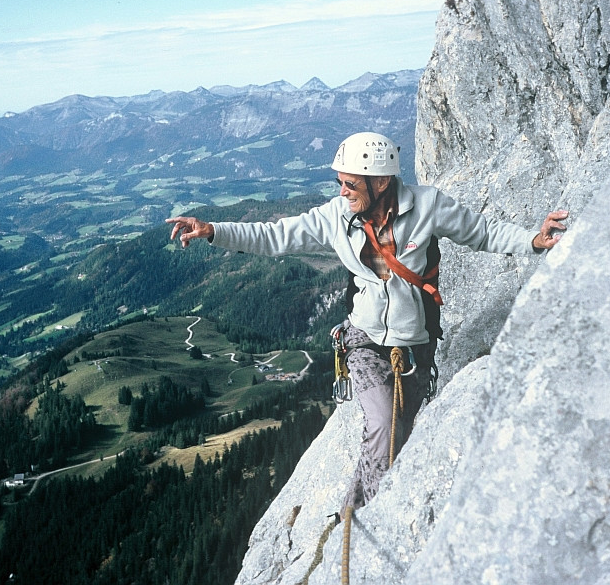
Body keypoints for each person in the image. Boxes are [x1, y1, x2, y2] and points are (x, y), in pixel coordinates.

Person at [166, 131, 568, 512]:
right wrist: (213, 230)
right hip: (363, 338)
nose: (342, 192)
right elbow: (274, 236)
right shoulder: (336, 216)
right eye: (341, 183)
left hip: (414, 342)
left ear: (379, 183)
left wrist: (533, 240)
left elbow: (480, 232)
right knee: (384, 423)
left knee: (400, 428)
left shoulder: (427, 206)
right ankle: (375, 513)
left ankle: (352, 508)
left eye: (350, 185)